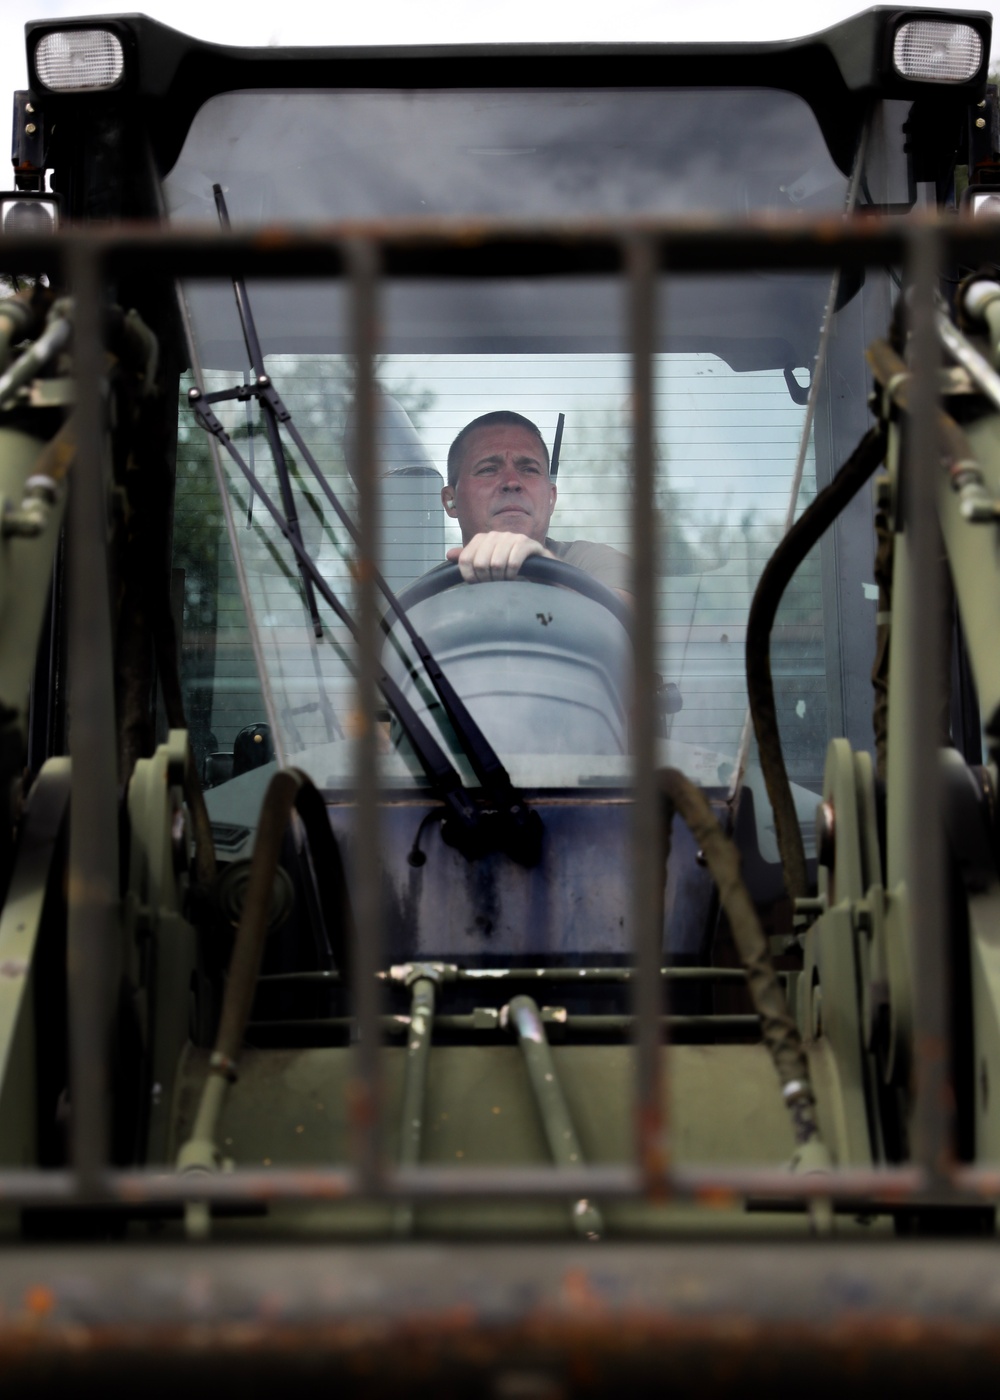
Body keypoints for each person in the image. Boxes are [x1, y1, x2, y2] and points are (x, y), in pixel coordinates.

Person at [441, 411, 632, 601]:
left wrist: (552, 576)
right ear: (451, 500)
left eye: (529, 469)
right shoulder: (427, 595)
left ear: (551, 498)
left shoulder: (593, 561)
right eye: (488, 469)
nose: (512, 482)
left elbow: (629, 617)